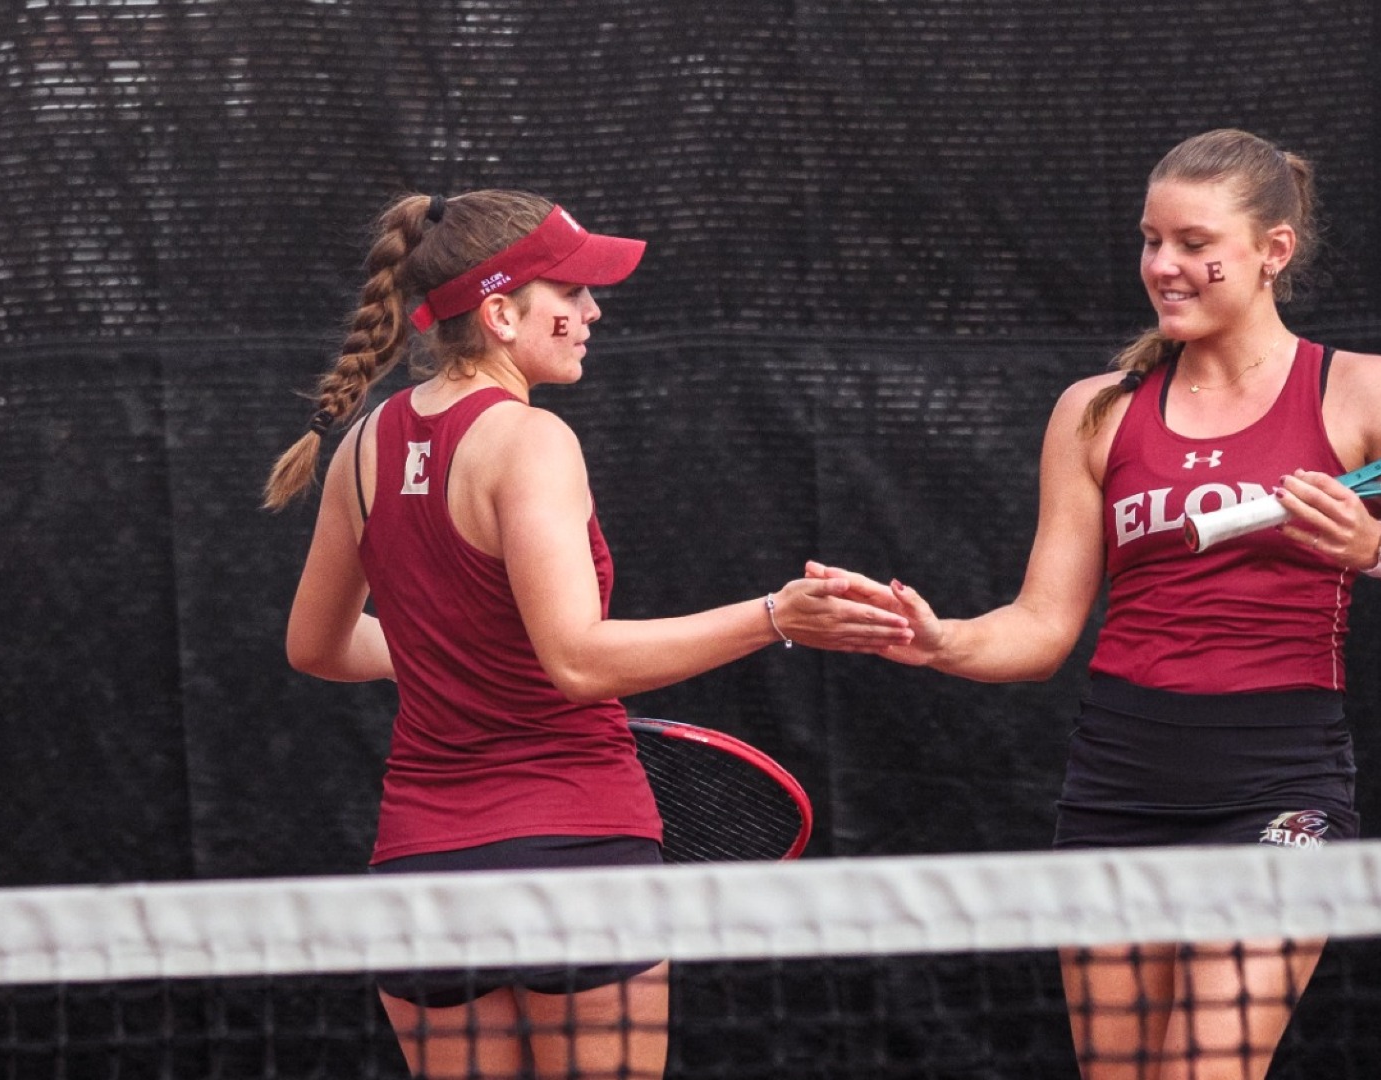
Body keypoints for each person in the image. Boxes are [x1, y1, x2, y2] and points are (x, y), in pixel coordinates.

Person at [820, 130, 1381, 1079]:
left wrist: (1377, 547)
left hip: (1278, 791)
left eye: (1195, 244)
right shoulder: (1099, 409)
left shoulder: (1364, 391)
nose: (1165, 267)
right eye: (1151, 240)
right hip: (1118, 791)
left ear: (1271, 251)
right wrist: (940, 639)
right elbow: (1039, 628)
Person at [262, 189, 912, 1080]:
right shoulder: (531, 443)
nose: (591, 312)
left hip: (422, 866)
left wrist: (457, 652)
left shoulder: (364, 447)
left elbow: (319, 647)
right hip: (575, 841)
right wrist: (775, 617)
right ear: (498, 314)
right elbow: (576, 660)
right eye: (568, 294)